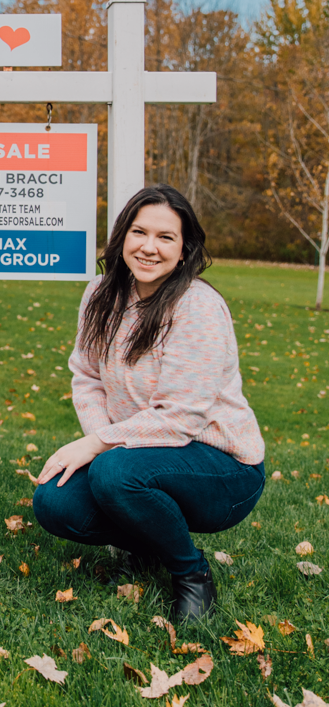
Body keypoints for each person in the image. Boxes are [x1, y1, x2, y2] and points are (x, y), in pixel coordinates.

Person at [32, 184, 265, 620]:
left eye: (166, 237)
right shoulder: (101, 294)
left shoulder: (197, 307)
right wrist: (99, 440)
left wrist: (98, 445)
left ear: (185, 249)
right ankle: (149, 544)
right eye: (139, 232)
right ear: (123, 236)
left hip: (222, 467)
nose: (149, 248)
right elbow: (86, 377)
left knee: (115, 472)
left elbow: (181, 418)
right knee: (54, 503)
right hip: (136, 454)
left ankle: (191, 573)